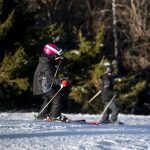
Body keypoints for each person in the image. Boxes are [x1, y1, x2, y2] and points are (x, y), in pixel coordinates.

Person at [33, 43, 69, 120]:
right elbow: (49, 77)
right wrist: (60, 81)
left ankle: (41, 116)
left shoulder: (45, 60)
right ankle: (55, 116)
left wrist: (57, 61)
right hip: (42, 85)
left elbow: (50, 63)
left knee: (48, 99)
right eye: (55, 55)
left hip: (40, 84)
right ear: (51, 54)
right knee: (57, 97)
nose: (56, 56)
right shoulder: (46, 65)